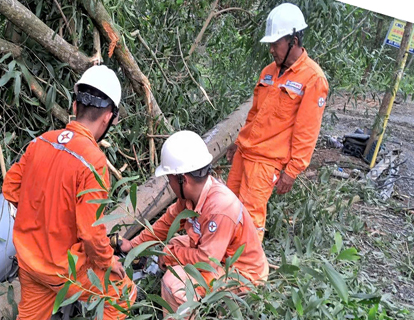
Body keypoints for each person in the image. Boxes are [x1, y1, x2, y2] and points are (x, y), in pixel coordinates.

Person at [2, 65, 135, 320]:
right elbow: (90, 232)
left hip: (29, 263)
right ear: (108, 117)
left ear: (74, 107)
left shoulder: (41, 141)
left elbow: (10, 188)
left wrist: (42, 216)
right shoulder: (93, 161)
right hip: (63, 271)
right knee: (123, 294)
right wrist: (108, 263)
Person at [119, 131, 268, 315]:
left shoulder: (220, 208)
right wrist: (133, 246)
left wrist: (169, 255)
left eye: (170, 179)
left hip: (241, 273)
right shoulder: (191, 196)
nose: (169, 184)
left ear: (183, 179)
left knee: (174, 283)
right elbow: (166, 223)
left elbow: (207, 262)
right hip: (218, 256)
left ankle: (182, 311)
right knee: (173, 244)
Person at [226, 3, 329, 242]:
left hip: (266, 162)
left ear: (293, 40)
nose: (271, 49)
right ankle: (224, 258)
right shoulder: (268, 72)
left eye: (276, 44)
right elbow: (254, 114)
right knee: (229, 207)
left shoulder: (313, 79)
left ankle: (247, 272)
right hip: (246, 153)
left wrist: (292, 171)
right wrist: (239, 142)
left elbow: (307, 131)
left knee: (250, 218)